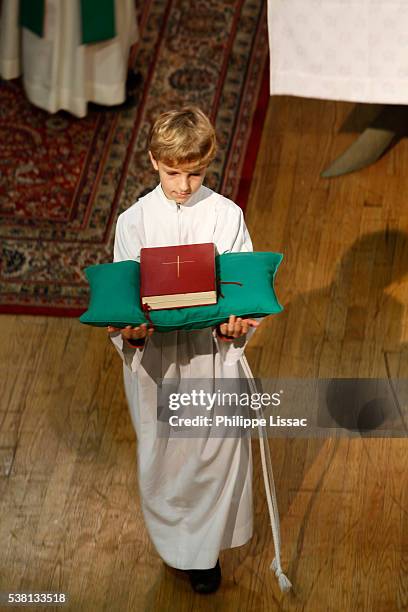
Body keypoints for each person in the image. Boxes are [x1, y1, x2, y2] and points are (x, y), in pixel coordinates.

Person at [107, 107, 260, 594]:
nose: (183, 185)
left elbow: (241, 289)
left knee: (211, 456)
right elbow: (123, 296)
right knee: (165, 459)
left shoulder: (225, 216)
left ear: (208, 163)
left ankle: (204, 553)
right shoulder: (134, 222)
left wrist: (238, 325)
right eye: (173, 172)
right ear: (153, 161)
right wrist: (129, 335)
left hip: (210, 357)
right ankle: (175, 544)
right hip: (158, 363)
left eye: (195, 172)